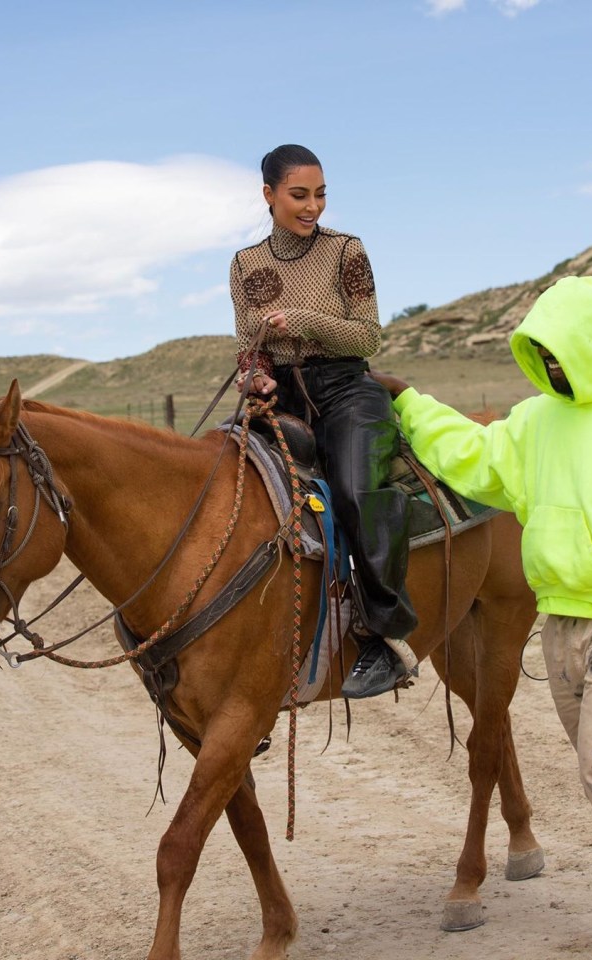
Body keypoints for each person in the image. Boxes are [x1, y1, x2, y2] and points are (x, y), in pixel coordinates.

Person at [373, 275, 592, 960]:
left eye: (564, 349)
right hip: (559, 622)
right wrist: (412, 403)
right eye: (544, 351)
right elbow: (476, 460)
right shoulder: (535, 421)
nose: (556, 363)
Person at [229, 143, 418, 699]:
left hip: (345, 391)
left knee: (357, 491)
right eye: (299, 195)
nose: (313, 207)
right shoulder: (246, 264)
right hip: (281, 399)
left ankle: (387, 636)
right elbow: (249, 345)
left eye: (320, 195)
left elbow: (367, 336)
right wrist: (255, 376)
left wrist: (306, 320)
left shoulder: (345, 251)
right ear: (268, 195)